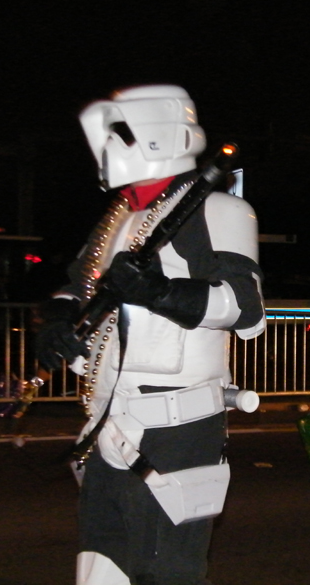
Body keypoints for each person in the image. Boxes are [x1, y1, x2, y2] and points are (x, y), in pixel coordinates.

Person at [36, 84, 265, 585]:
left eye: (119, 134)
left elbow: (245, 310)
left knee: (170, 573)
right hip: (105, 422)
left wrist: (160, 291)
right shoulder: (118, 217)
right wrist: (55, 322)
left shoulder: (219, 211)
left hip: (175, 427)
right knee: (100, 567)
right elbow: (75, 288)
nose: (107, 149)